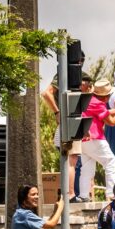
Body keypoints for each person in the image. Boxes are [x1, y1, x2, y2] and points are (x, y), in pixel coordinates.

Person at [40, 70, 92, 201]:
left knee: (70, 161)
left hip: (68, 125)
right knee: (71, 160)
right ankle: (70, 194)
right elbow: (46, 93)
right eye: (88, 84)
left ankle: (69, 194)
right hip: (68, 125)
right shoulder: (66, 76)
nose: (89, 88)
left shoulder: (68, 80)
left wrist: (82, 128)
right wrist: (57, 113)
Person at [78, 79, 115, 202]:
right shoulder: (99, 104)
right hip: (95, 138)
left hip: (83, 139)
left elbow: (103, 113)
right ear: (106, 96)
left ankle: (83, 196)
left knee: (87, 168)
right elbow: (112, 122)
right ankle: (111, 194)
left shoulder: (88, 100)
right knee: (111, 162)